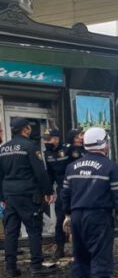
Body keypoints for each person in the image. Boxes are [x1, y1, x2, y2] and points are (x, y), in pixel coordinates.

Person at [62, 127, 118, 277]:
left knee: (80, 260)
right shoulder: (111, 167)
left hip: (76, 218)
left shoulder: (71, 167)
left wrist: (67, 215)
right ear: (103, 144)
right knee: (101, 261)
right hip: (99, 218)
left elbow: (65, 194)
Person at [0, 118, 58, 276]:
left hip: (10, 195)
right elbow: (40, 172)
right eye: (29, 127)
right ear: (25, 129)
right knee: (33, 230)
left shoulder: (3, 149)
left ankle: (11, 268)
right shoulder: (30, 147)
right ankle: (36, 266)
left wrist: (2, 197)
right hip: (27, 195)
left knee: (11, 232)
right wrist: (48, 192)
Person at [42, 128, 73, 259]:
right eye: (44, 139)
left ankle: (81, 248)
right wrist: (48, 191)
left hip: (75, 187)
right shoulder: (47, 153)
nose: (45, 141)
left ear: (57, 139)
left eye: (48, 139)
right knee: (60, 219)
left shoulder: (68, 149)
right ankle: (60, 248)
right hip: (61, 189)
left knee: (78, 217)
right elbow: (50, 174)